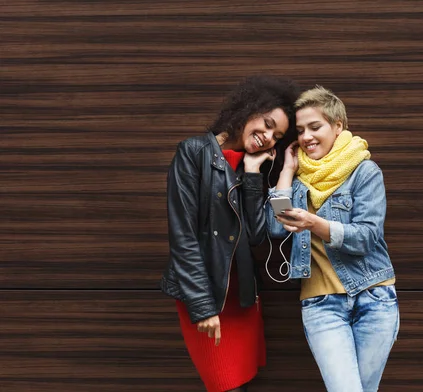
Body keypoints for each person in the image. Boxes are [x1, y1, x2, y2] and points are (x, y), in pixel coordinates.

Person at [160, 75, 299, 392]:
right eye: (265, 124)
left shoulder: (253, 167)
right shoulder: (193, 152)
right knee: (226, 385)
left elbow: (258, 236)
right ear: (248, 110)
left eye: (276, 135)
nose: (267, 137)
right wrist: (203, 306)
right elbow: (183, 237)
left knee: (243, 383)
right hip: (208, 294)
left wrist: (253, 175)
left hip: (243, 297)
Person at [266, 86, 399, 392]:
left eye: (315, 127)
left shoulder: (364, 171)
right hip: (322, 305)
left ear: (338, 126)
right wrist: (286, 171)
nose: (306, 137)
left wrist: (314, 223)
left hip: (374, 298)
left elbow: (366, 237)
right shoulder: (298, 182)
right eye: (300, 130)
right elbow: (275, 228)